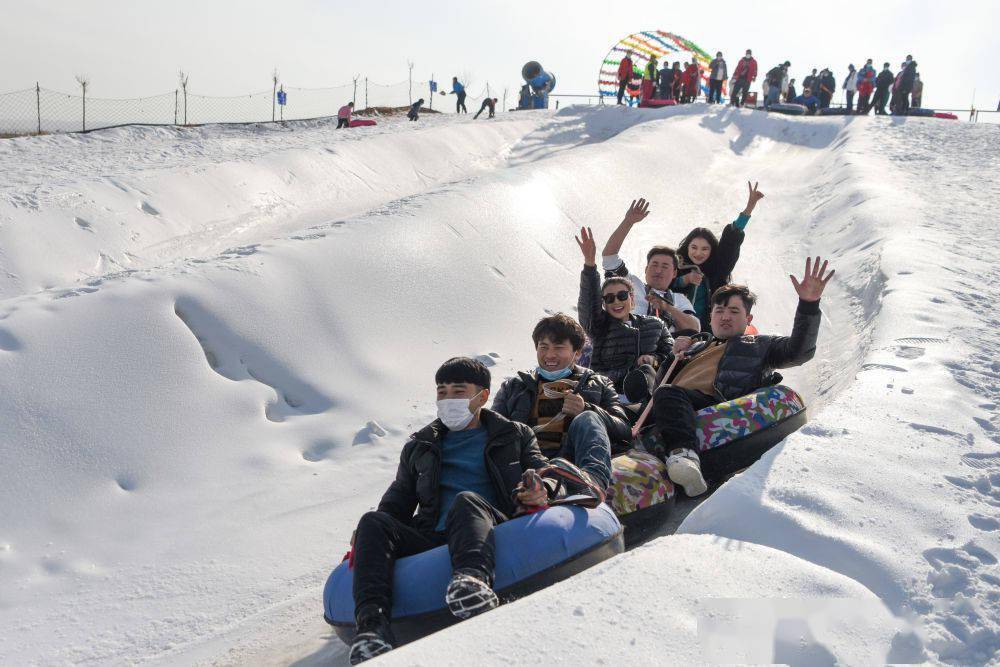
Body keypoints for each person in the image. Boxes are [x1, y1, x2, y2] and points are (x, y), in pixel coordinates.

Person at [347, 357, 549, 663]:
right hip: (433, 534)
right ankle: (372, 629)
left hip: (489, 521)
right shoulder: (420, 446)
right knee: (372, 521)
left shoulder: (514, 434)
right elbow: (398, 500)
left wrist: (538, 488)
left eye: (458, 391)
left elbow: (540, 470)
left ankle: (471, 582)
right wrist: (365, 537)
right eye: (442, 392)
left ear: (481, 396)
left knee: (465, 501)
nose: (448, 399)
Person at [645, 257, 834, 496]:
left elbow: (799, 351)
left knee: (669, 394)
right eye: (719, 311)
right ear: (710, 316)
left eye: (734, 311)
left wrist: (808, 304)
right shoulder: (696, 346)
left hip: (708, 402)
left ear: (748, 319)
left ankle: (685, 455)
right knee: (610, 411)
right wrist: (673, 357)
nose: (725, 317)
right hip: (669, 405)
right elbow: (658, 391)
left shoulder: (758, 345)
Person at [492, 313, 629, 487]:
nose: (550, 355)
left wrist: (587, 408)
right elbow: (493, 432)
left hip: (574, 463)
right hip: (527, 465)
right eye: (544, 347)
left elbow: (624, 430)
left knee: (588, 418)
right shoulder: (514, 387)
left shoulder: (599, 383)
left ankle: (592, 486)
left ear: (577, 353)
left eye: (558, 347)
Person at [575, 226, 673, 402]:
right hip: (608, 393)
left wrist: (653, 359)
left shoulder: (655, 325)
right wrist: (590, 264)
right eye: (609, 298)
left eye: (621, 296)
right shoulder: (600, 325)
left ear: (632, 298)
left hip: (646, 393)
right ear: (603, 303)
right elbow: (588, 304)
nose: (617, 302)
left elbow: (671, 356)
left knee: (645, 372)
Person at [673, 182, 766, 331]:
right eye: (694, 247)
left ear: (711, 251)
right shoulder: (676, 267)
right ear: (687, 247)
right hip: (677, 333)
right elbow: (662, 288)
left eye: (705, 249)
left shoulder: (717, 269)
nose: (698, 253)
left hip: (710, 334)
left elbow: (730, 241)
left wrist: (748, 209)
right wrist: (685, 279)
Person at [601, 198, 701, 335]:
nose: (658, 270)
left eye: (665, 266)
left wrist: (666, 307)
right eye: (654, 265)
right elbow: (609, 257)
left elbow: (694, 328)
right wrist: (628, 222)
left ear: (674, 273)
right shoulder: (631, 284)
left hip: (665, 352)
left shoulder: (679, 300)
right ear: (645, 269)